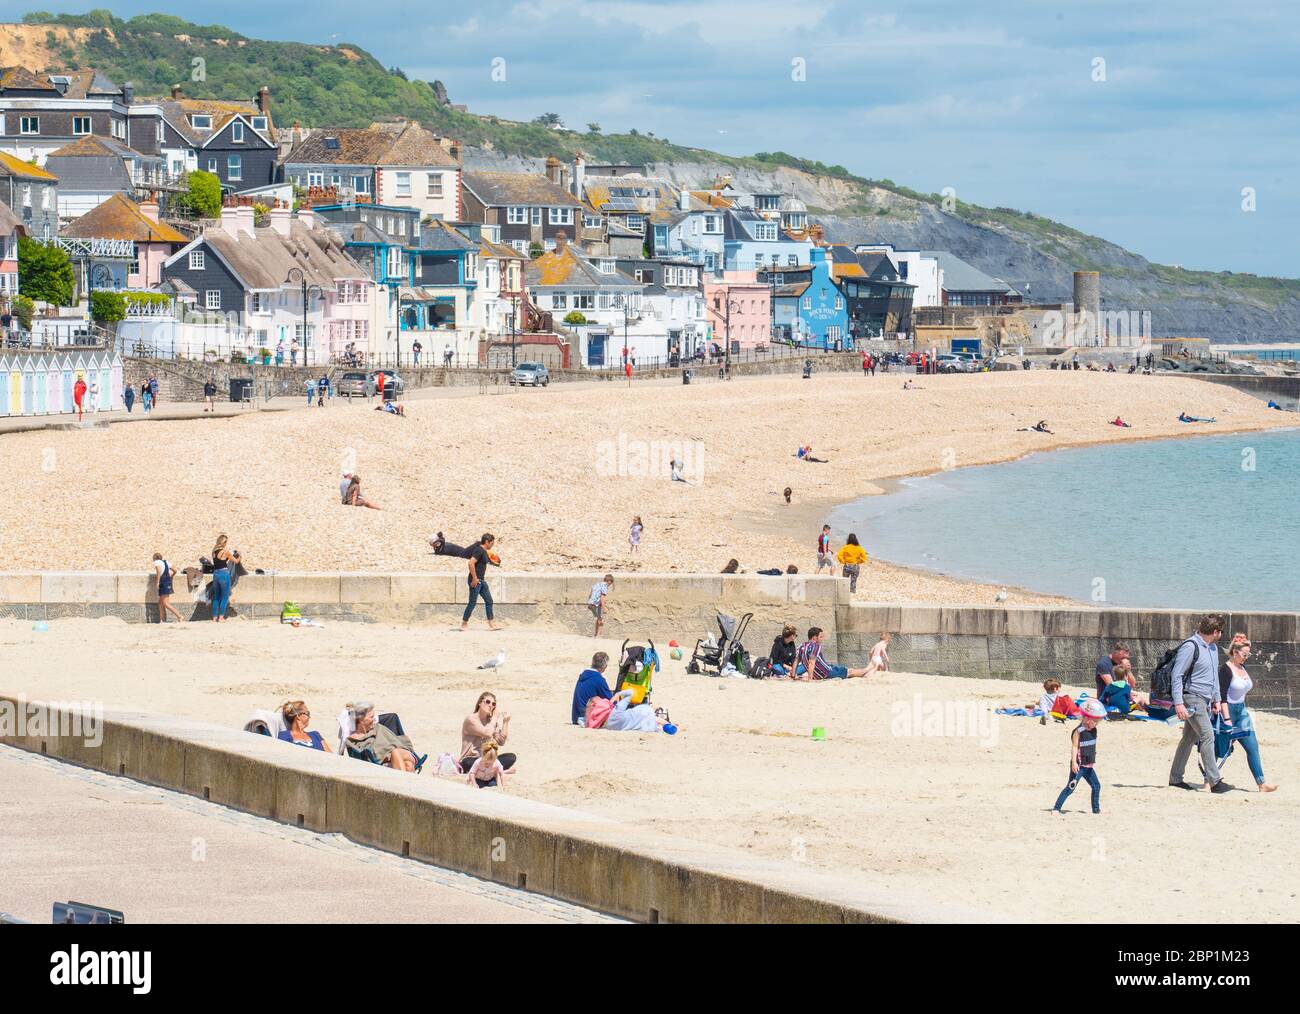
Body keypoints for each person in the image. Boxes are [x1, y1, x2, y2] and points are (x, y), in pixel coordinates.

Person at [1168, 614, 1234, 793]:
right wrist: (1179, 703)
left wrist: (1216, 699)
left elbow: (1213, 678)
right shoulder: (1191, 646)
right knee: (1207, 736)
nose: (1221, 635)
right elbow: (1177, 675)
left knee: (1189, 738)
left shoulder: (1213, 648)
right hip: (1192, 697)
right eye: (1220, 632)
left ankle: (1175, 778)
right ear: (1215, 631)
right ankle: (1214, 782)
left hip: (1205, 700)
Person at [1215, 635, 1277, 792]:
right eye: (1244, 654)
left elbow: (1242, 690)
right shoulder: (1225, 669)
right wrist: (1227, 717)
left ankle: (1261, 783)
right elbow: (1221, 696)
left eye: (1248, 654)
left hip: (1242, 711)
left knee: (1252, 746)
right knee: (1219, 747)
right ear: (1235, 652)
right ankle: (1209, 779)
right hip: (1227, 711)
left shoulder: (1243, 668)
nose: (1246, 657)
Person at [1052, 698, 1107, 814]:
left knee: (1096, 786)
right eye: (1095, 721)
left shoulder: (1094, 730)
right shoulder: (1078, 731)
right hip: (1079, 766)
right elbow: (1075, 747)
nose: (1096, 724)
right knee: (1071, 787)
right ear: (1087, 718)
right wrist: (1074, 762)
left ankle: (1096, 810)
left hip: (1089, 765)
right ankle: (1056, 808)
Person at [345, 702, 417, 771]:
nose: (374, 720)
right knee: (408, 766)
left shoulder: (378, 728)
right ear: (361, 720)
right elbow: (367, 758)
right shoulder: (352, 740)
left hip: (402, 754)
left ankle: (403, 782)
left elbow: (397, 742)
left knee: (395, 752)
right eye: (371, 717)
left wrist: (388, 753)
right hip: (385, 763)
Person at [460, 692, 516, 774]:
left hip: (487, 759)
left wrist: (505, 722)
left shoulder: (491, 721)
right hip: (472, 758)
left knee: (511, 757)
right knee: (467, 763)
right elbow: (488, 733)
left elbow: (501, 741)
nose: (490, 705)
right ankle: (499, 771)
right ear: (480, 703)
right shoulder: (471, 719)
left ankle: (489, 771)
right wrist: (495, 717)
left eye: (493, 704)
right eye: (487, 702)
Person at [461, 533, 502, 631]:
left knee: (489, 601)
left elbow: (484, 562)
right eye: (492, 543)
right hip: (475, 580)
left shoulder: (484, 551)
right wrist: (474, 578)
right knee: (472, 603)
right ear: (487, 542)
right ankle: (464, 624)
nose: (492, 545)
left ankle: (491, 624)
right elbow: (471, 563)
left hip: (481, 580)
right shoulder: (479, 550)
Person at [795, 627, 870, 679]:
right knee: (851, 672)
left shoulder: (802, 646)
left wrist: (792, 675)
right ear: (815, 638)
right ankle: (868, 669)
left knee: (847, 669)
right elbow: (811, 662)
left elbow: (796, 661)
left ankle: (867, 669)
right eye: (821, 637)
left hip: (826, 670)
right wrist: (810, 679)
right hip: (826, 673)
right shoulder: (815, 646)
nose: (822, 639)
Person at [572, 651, 614, 725]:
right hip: (586, 717)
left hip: (575, 716)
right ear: (603, 667)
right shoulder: (598, 679)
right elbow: (611, 701)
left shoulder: (583, 675)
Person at [209, 534, 237, 623]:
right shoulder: (225, 552)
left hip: (216, 574)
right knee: (225, 597)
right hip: (224, 574)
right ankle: (221, 617)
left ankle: (214, 618)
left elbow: (220, 562)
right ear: (224, 543)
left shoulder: (213, 552)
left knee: (216, 597)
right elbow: (236, 561)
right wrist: (239, 555)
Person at [152, 552, 184, 623]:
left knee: (166, 603)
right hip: (168, 582)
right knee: (160, 602)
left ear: (154, 558)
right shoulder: (166, 562)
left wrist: (157, 582)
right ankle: (161, 620)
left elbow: (158, 571)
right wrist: (171, 576)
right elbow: (175, 570)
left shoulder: (156, 562)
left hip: (163, 583)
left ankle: (179, 616)